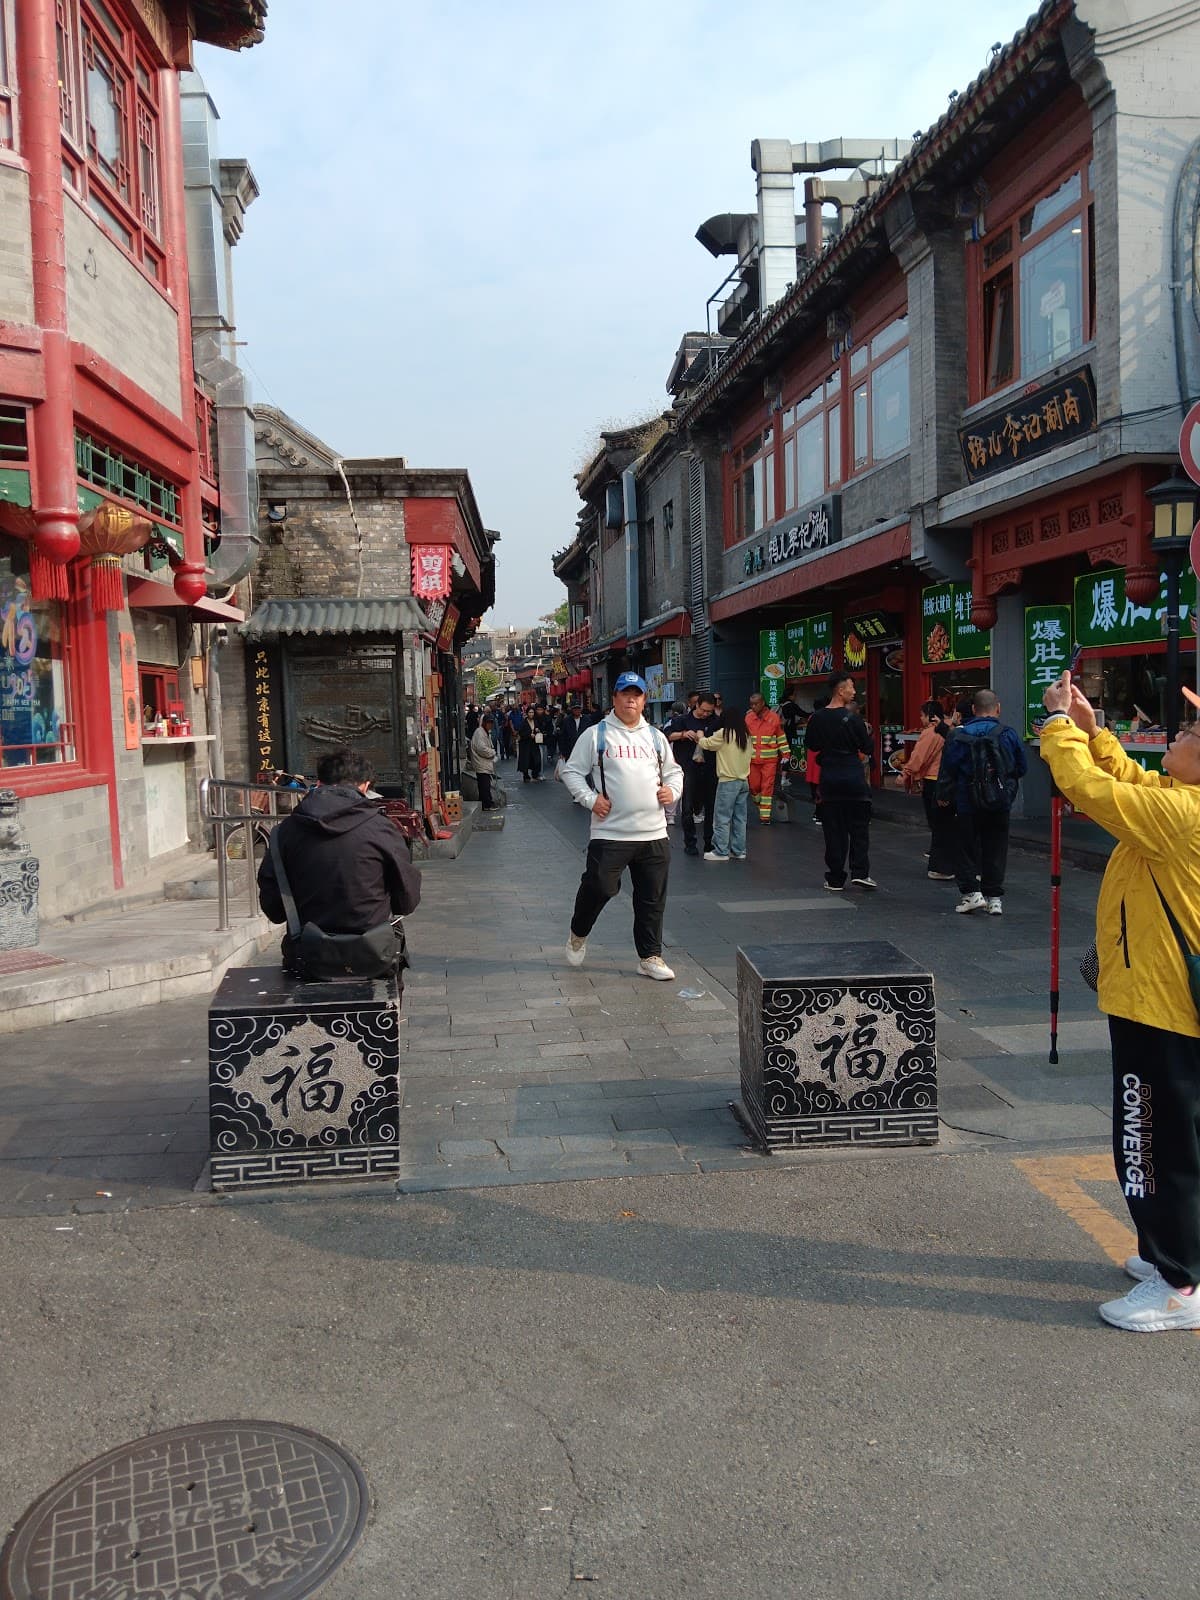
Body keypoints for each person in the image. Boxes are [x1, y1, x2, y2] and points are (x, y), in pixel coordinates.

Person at [1038, 669, 1200, 1332]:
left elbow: (1091, 790)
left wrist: (1057, 726)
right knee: (1178, 1136)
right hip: (1166, 998)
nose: (1178, 735)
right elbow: (1133, 782)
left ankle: (1177, 1283)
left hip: (1159, 1004)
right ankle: (1177, 1256)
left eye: (1190, 731)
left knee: (1152, 1141)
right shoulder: (1181, 802)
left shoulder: (1183, 818)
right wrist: (1093, 731)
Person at [560, 671, 683, 980]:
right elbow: (571, 772)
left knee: (652, 899)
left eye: (636, 694)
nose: (631, 700)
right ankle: (578, 932)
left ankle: (650, 956)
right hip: (610, 832)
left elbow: (674, 772)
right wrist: (590, 799)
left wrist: (672, 790)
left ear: (644, 700)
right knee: (599, 886)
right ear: (614, 698)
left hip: (653, 833)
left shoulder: (655, 736)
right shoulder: (596, 735)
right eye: (625, 694)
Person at [257, 745, 421, 977]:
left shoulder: (284, 832)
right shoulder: (382, 829)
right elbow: (407, 901)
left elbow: (273, 909)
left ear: (319, 783)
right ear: (365, 786)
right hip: (373, 956)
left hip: (308, 957)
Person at [937, 687, 1027, 915]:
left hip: (967, 801)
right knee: (996, 848)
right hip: (999, 802)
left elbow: (948, 769)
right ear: (998, 708)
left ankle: (971, 894)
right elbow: (1020, 767)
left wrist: (944, 795)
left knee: (966, 847)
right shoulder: (1008, 734)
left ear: (973, 709)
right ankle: (994, 898)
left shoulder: (958, 735)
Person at [805, 671, 875, 890]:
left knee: (834, 830)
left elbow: (812, 745)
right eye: (851, 687)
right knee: (859, 827)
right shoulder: (854, 719)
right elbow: (867, 748)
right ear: (840, 690)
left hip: (830, 778)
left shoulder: (817, 718)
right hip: (853, 777)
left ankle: (835, 877)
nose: (854, 692)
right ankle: (860, 872)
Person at [902, 700, 956, 879]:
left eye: (922, 715)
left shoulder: (930, 732)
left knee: (938, 824)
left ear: (930, 716)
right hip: (951, 781)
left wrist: (906, 773)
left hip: (934, 780)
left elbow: (919, 756)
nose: (920, 719)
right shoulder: (953, 729)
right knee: (947, 823)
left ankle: (941, 865)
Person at [697, 705, 752, 860]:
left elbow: (706, 744)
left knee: (722, 817)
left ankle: (721, 851)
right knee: (740, 818)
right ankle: (739, 851)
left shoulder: (724, 733)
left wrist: (700, 736)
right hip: (743, 781)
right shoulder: (746, 735)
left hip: (728, 781)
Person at [670, 691, 720, 856]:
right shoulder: (682, 720)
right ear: (696, 705)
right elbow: (668, 735)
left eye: (709, 711)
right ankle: (690, 842)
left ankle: (709, 842)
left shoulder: (716, 722)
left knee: (710, 807)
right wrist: (683, 734)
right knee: (687, 807)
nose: (705, 714)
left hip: (710, 768)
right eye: (703, 710)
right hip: (688, 768)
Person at [746, 692, 789, 826]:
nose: (753, 707)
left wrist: (786, 754)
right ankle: (761, 806)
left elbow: (781, 737)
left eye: (756, 704)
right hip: (752, 760)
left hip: (769, 761)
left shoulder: (774, 718)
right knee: (753, 787)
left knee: (767, 787)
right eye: (751, 704)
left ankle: (765, 816)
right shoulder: (748, 718)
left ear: (763, 703)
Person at [467, 713, 497, 809]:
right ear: (484, 723)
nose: (490, 725)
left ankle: (484, 803)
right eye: (488, 723)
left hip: (483, 763)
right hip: (481, 763)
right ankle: (487, 804)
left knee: (484, 784)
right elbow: (481, 749)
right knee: (485, 785)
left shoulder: (484, 732)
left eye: (491, 723)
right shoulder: (480, 733)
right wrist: (492, 752)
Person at [516, 706, 542, 783]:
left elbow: (538, 729)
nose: (531, 714)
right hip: (525, 744)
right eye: (530, 712)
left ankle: (535, 774)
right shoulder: (523, 722)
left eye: (532, 712)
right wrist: (529, 735)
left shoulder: (535, 721)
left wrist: (537, 730)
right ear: (527, 713)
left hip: (534, 744)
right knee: (526, 760)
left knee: (537, 759)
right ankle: (526, 776)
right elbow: (521, 733)